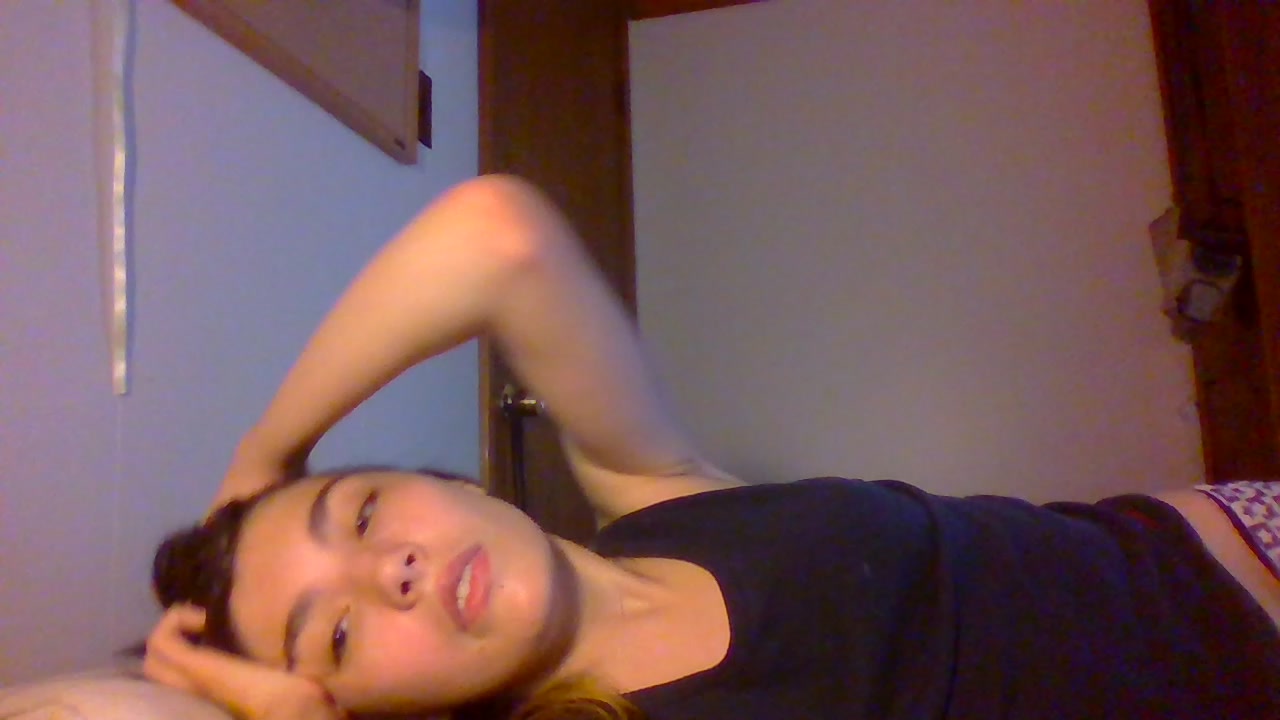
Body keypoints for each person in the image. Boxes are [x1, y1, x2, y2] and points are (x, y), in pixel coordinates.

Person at [145, 175, 1280, 720]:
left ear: (441, 482)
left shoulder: (660, 499)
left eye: (361, 512)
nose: (387, 568)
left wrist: (267, 449)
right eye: (338, 633)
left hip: (1222, 537)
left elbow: (495, 235)